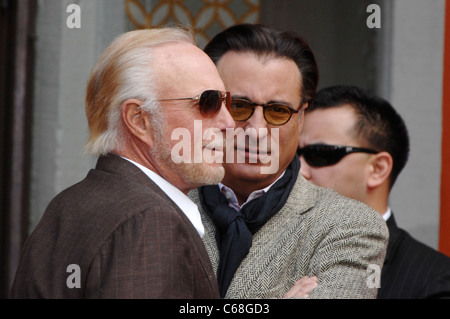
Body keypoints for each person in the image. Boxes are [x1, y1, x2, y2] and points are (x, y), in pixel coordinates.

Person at [10, 27, 236, 298]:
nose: (228, 122)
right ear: (139, 120)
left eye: (227, 101)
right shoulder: (148, 221)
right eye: (207, 102)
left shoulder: (71, 204)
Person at [188, 24, 389, 299]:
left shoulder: (350, 226)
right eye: (238, 106)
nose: (256, 131)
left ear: (301, 117)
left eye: (278, 111)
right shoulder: (161, 205)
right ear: (208, 105)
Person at [299, 85, 450, 299]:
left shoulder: (433, 281)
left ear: (378, 169)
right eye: (294, 154)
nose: (299, 170)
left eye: (320, 154)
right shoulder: (260, 247)